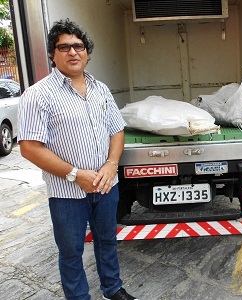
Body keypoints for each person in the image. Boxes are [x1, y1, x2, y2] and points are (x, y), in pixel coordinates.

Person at [17, 19, 138, 300]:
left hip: (106, 185)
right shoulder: (38, 95)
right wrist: (75, 175)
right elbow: (30, 148)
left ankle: (112, 288)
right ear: (53, 54)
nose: (73, 52)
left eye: (78, 46)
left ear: (87, 52)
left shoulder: (101, 89)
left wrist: (111, 165)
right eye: (64, 47)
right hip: (67, 192)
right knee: (71, 250)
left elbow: (116, 130)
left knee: (107, 240)